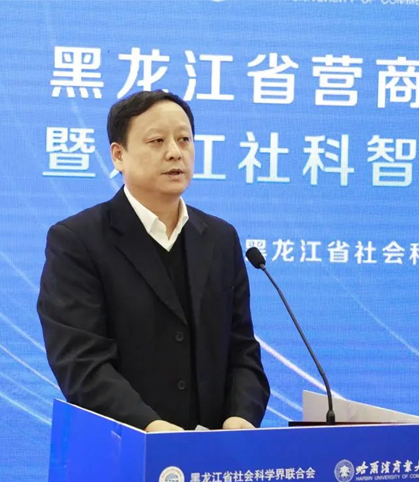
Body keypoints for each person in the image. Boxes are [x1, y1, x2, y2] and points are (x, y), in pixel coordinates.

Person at [37, 90, 269, 432]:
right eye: (157, 141)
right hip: (122, 447)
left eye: (184, 139)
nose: (175, 152)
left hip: (213, 452)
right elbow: (81, 362)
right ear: (118, 155)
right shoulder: (78, 241)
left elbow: (242, 350)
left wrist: (241, 417)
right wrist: (150, 426)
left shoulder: (220, 238)